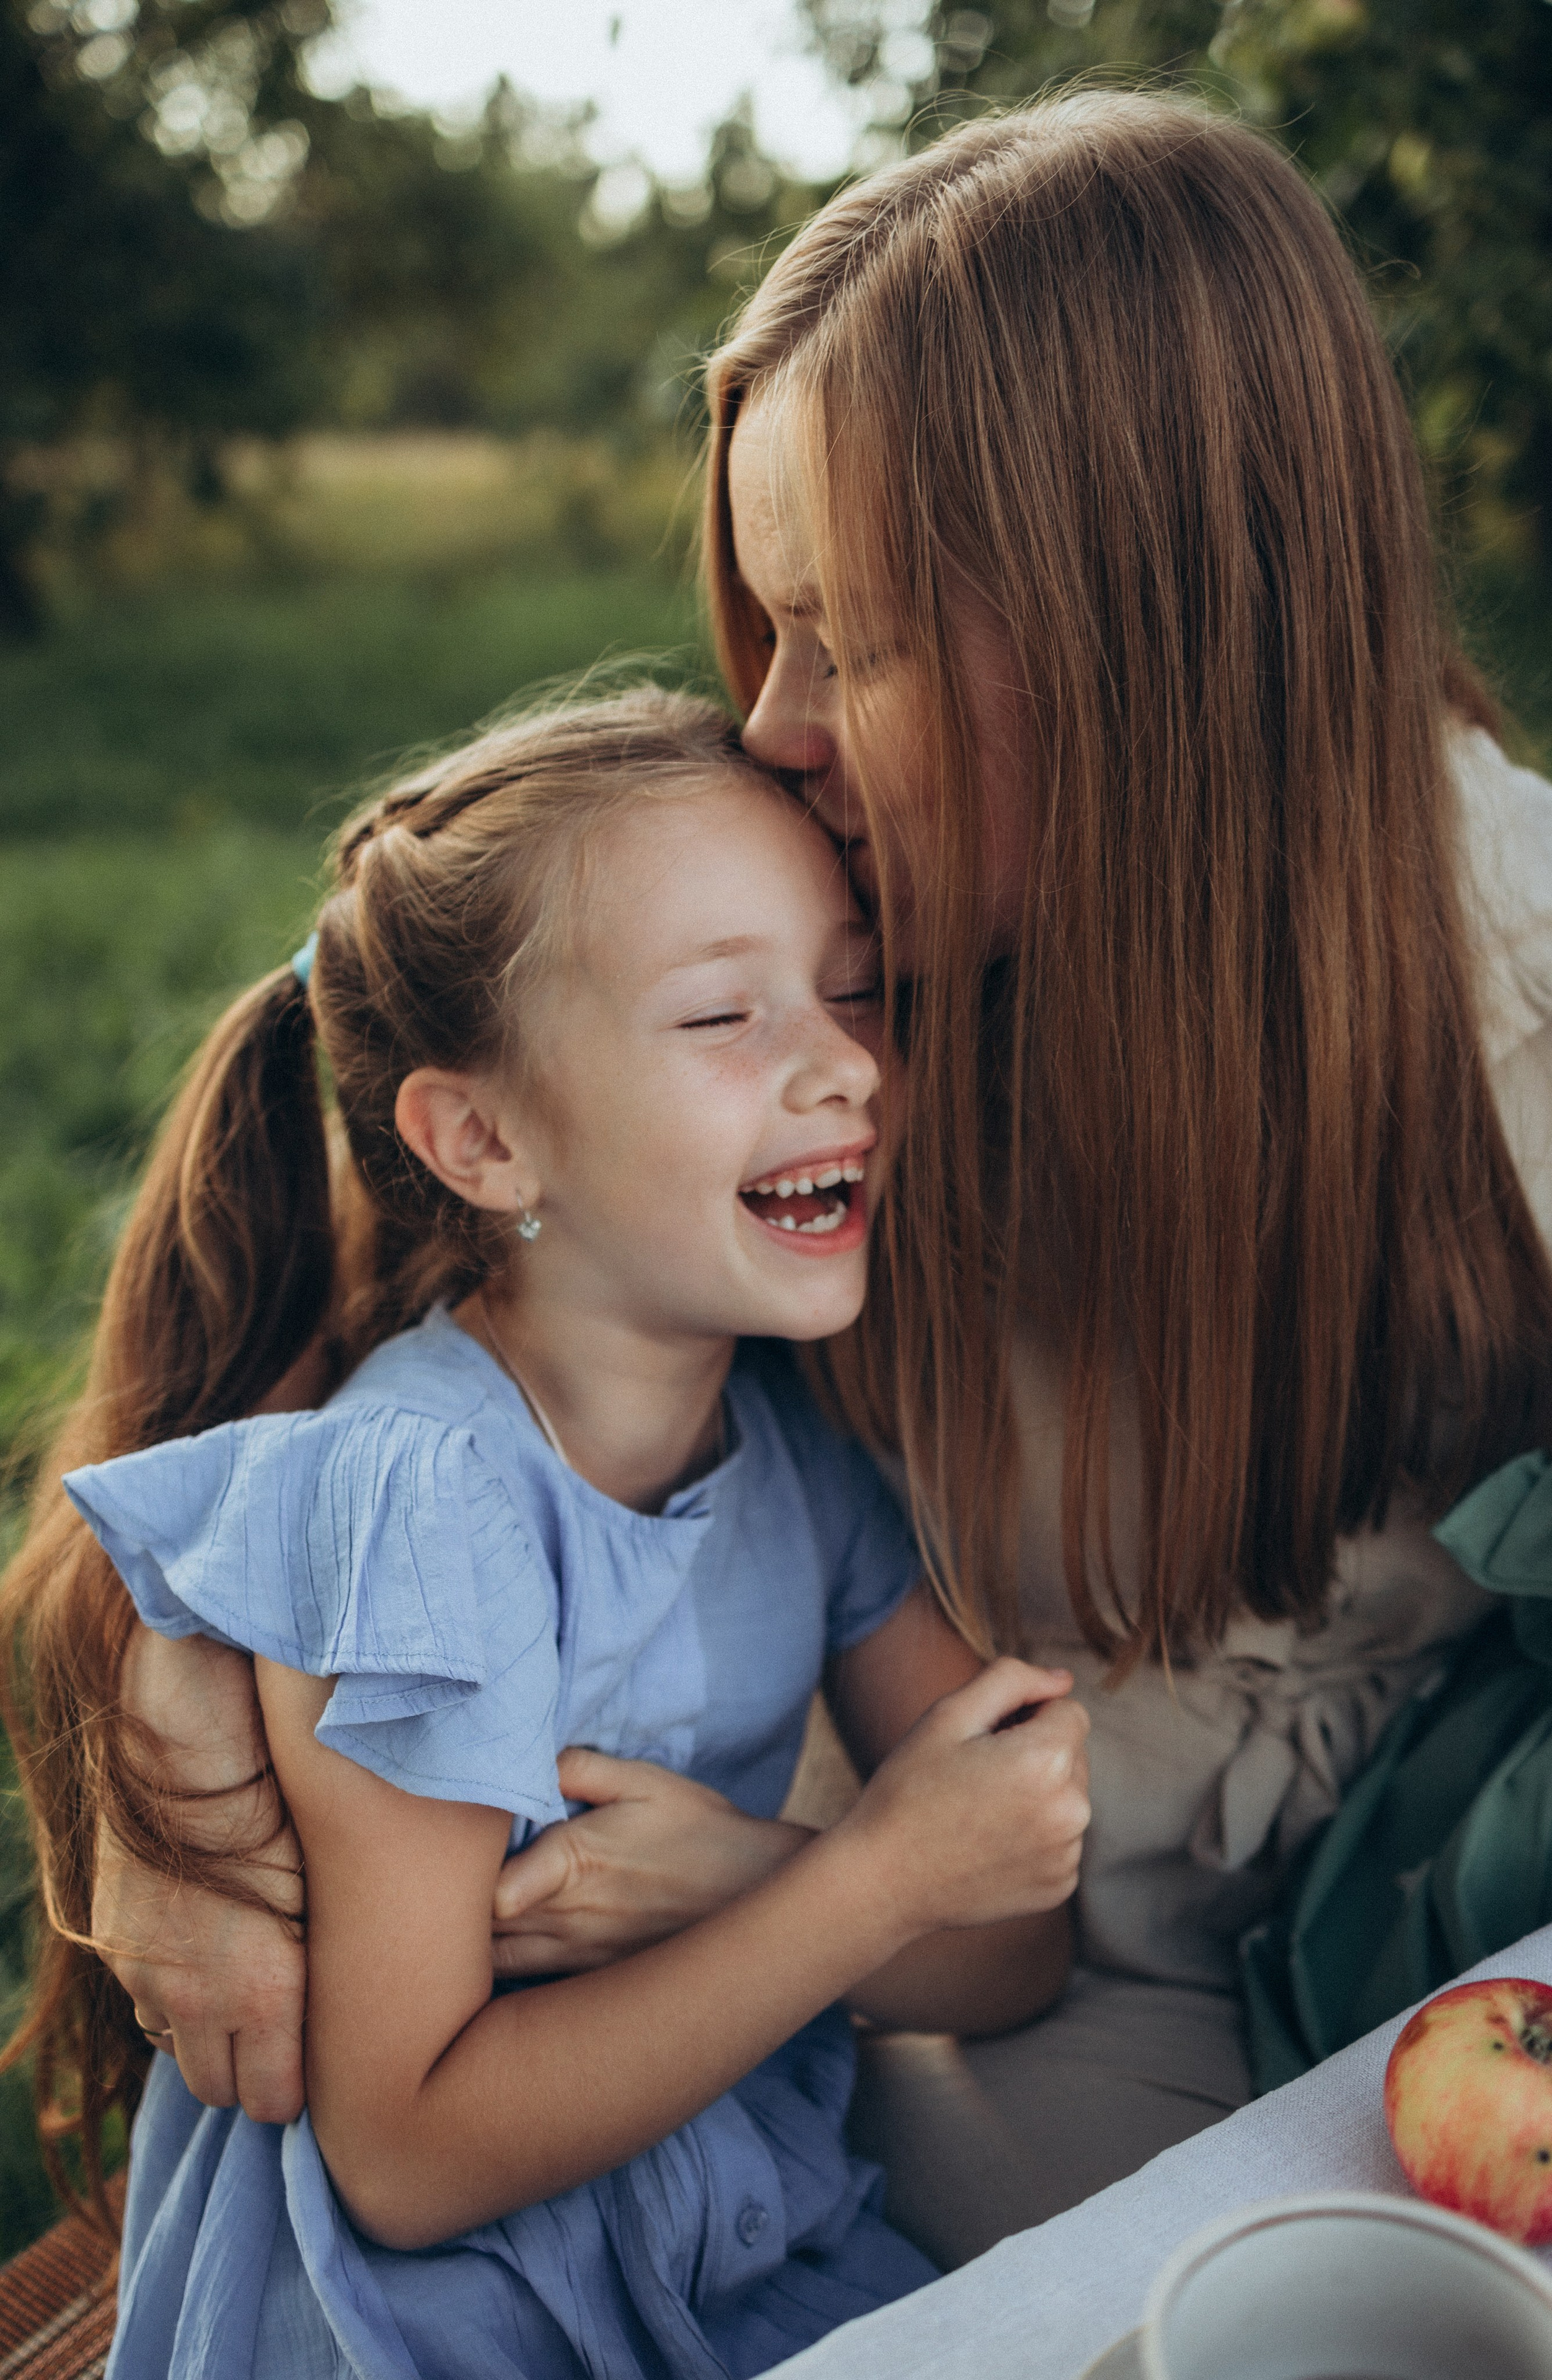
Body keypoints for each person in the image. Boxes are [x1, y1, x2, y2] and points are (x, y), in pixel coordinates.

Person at [11, 86, 1552, 2276]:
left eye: (856, 638)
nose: (771, 722)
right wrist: (153, 1709)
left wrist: (796, 1894)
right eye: (770, 625)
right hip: (857, 1970)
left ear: (1144, 635)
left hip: (1307, 1966)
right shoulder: (825, 945)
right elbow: (353, 1176)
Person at [16, 687, 1092, 2379]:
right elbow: (411, 2155)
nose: (844, 1064)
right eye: (725, 1015)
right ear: (487, 1139)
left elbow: (1013, 1940)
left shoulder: (801, 1458)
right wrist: (872, 1878)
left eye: (852, 986)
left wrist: (764, 1880)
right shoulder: (419, 1505)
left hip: (721, 2243)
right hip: (423, 2322)